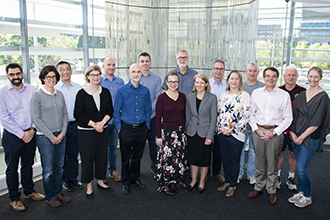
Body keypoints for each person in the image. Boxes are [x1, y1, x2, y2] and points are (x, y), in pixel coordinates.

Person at [0, 63, 45, 212]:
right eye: (12, 75)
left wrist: (32, 130)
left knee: (27, 165)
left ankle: (29, 191)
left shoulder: (31, 89)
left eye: (18, 74)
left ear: (23, 74)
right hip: (12, 137)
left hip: (30, 133)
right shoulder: (2, 93)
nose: (15, 77)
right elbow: (4, 117)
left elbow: (36, 111)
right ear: (7, 76)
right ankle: (14, 198)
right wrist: (21, 134)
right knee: (12, 169)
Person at [248, 67, 292, 205]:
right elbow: (251, 114)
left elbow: (288, 118)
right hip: (258, 132)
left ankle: (271, 190)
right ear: (264, 77)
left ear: (277, 78)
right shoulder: (256, 93)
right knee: (259, 161)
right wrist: (256, 130)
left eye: (273, 76)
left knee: (272, 163)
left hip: (275, 132)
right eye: (267, 76)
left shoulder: (284, 95)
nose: (270, 78)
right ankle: (259, 187)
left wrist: (274, 132)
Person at [288, 66, 330, 208]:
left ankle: (308, 195)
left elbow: (317, 122)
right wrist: (293, 133)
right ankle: (301, 192)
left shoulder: (323, 97)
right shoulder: (303, 94)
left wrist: (301, 137)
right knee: (301, 165)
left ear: (320, 78)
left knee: (301, 169)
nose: (313, 80)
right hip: (297, 135)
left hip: (310, 138)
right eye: (310, 76)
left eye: (316, 77)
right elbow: (294, 115)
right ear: (307, 77)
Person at [30, 65, 70, 207]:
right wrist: (51, 136)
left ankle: (58, 191)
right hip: (45, 138)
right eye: (48, 77)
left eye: (53, 76)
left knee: (59, 166)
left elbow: (65, 114)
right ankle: (50, 195)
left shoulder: (59, 94)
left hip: (60, 135)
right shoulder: (37, 95)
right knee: (48, 169)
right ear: (42, 78)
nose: (51, 79)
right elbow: (36, 118)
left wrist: (62, 133)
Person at [74, 65, 114, 200]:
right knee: (88, 158)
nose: (96, 77)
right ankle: (89, 186)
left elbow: (110, 111)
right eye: (92, 75)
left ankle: (100, 180)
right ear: (87, 77)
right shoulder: (81, 93)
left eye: (98, 75)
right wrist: (93, 124)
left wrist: (102, 123)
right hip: (86, 132)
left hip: (103, 129)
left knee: (102, 156)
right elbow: (77, 114)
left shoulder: (106, 92)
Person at [113, 63, 152, 195]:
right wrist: (119, 127)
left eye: (138, 72)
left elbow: (148, 110)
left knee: (137, 156)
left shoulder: (145, 91)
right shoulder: (121, 90)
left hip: (141, 129)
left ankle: (135, 178)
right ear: (129, 74)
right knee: (125, 157)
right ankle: (125, 181)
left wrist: (147, 126)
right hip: (126, 129)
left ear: (142, 73)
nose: (136, 74)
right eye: (133, 72)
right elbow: (116, 111)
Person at [216, 70, 250, 197]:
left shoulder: (245, 95)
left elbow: (247, 115)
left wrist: (232, 129)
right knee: (225, 159)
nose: (234, 81)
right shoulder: (223, 95)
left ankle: (233, 184)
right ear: (228, 80)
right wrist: (220, 128)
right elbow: (218, 113)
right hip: (222, 133)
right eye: (232, 79)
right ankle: (228, 181)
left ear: (240, 81)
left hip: (236, 134)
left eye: (236, 79)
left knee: (234, 160)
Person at [155, 71, 188, 196]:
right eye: (171, 81)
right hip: (167, 133)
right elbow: (158, 119)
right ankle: (167, 184)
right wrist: (158, 136)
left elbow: (184, 116)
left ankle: (174, 181)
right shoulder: (162, 98)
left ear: (178, 83)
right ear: (166, 83)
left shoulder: (183, 96)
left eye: (176, 81)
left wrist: (184, 133)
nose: (173, 84)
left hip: (180, 133)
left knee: (178, 159)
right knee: (168, 159)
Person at [186, 73, 217, 194]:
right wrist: (186, 133)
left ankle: (202, 182)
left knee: (204, 160)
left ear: (206, 84)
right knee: (193, 159)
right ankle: (193, 181)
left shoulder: (212, 98)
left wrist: (210, 136)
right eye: (197, 82)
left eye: (201, 82)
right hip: (192, 133)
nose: (199, 85)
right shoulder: (189, 97)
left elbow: (213, 118)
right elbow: (187, 116)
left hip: (205, 134)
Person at [54, 61, 83, 192]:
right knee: (62, 155)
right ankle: (64, 180)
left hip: (74, 125)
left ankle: (73, 178)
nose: (65, 72)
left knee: (73, 154)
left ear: (71, 71)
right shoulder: (54, 88)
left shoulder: (78, 88)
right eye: (62, 69)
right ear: (58, 72)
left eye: (67, 69)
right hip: (59, 127)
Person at [277, 65, 306, 190]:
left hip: (296, 131)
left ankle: (291, 178)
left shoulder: (303, 92)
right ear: (284, 77)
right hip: (281, 130)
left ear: (297, 77)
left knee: (293, 155)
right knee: (280, 153)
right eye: (288, 75)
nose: (291, 77)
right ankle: (277, 177)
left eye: (293, 75)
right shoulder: (277, 91)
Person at [238, 62, 264, 185]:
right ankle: (239, 173)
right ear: (246, 72)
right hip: (242, 125)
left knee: (254, 151)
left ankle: (252, 174)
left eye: (255, 71)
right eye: (250, 71)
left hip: (257, 126)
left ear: (258, 73)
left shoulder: (263, 87)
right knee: (240, 149)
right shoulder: (239, 86)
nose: (252, 73)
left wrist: (254, 122)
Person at [100, 57, 124, 182]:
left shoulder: (120, 81)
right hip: (102, 122)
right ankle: (101, 173)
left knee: (113, 147)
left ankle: (112, 170)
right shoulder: (99, 81)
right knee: (101, 148)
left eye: (113, 65)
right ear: (103, 66)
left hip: (116, 121)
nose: (111, 67)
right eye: (108, 65)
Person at [138, 52, 162, 174]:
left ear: (150, 63)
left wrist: (147, 111)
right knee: (138, 144)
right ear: (139, 63)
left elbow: (158, 98)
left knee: (153, 144)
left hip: (152, 117)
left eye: (147, 61)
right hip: (139, 119)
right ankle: (136, 170)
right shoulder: (135, 77)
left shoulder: (157, 79)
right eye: (142, 61)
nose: (145, 63)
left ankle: (154, 166)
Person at [209, 60, 227, 183]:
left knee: (218, 150)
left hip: (222, 122)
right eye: (216, 68)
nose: (218, 71)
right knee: (206, 148)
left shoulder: (228, 85)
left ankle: (216, 172)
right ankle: (205, 172)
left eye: (221, 69)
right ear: (212, 69)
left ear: (224, 70)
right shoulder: (207, 84)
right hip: (208, 121)